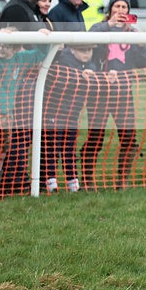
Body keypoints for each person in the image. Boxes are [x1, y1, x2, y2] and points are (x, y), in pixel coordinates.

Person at [0, 28, 49, 199]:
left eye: (6, 46)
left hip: (8, 113)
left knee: (1, 151)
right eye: (0, 45)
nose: (2, 49)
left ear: (16, 48)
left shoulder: (21, 59)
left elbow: (40, 53)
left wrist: (40, 36)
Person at [83, 0, 146, 190]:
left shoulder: (132, 32)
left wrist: (141, 44)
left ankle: (122, 181)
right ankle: (88, 179)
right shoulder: (100, 28)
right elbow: (88, 45)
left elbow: (143, 61)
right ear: (110, 9)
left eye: (124, 7)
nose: (120, 11)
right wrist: (109, 25)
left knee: (128, 137)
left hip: (124, 92)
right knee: (95, 136)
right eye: (117, 7)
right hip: (100, 92)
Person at [0, 0, 50, 195]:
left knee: (25, 135)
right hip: (16, 83)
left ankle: (17, 182)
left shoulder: (28, 9)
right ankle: (11, 184)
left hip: (26, 80)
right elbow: (29, 47)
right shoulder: (17, 10)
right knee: (18, 137)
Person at [42, 44, 98, 193]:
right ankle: (50, 183)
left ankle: (73, 183)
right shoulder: (61, 63)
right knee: (52, 148)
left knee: (69, 148)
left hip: (72, 115)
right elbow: (57, 84)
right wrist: (79, 75)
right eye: (83, 49)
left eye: (89, 49)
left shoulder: (89, 66)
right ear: (72, 50)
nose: (87, 53)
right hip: (54, 113)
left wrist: (90, 73)